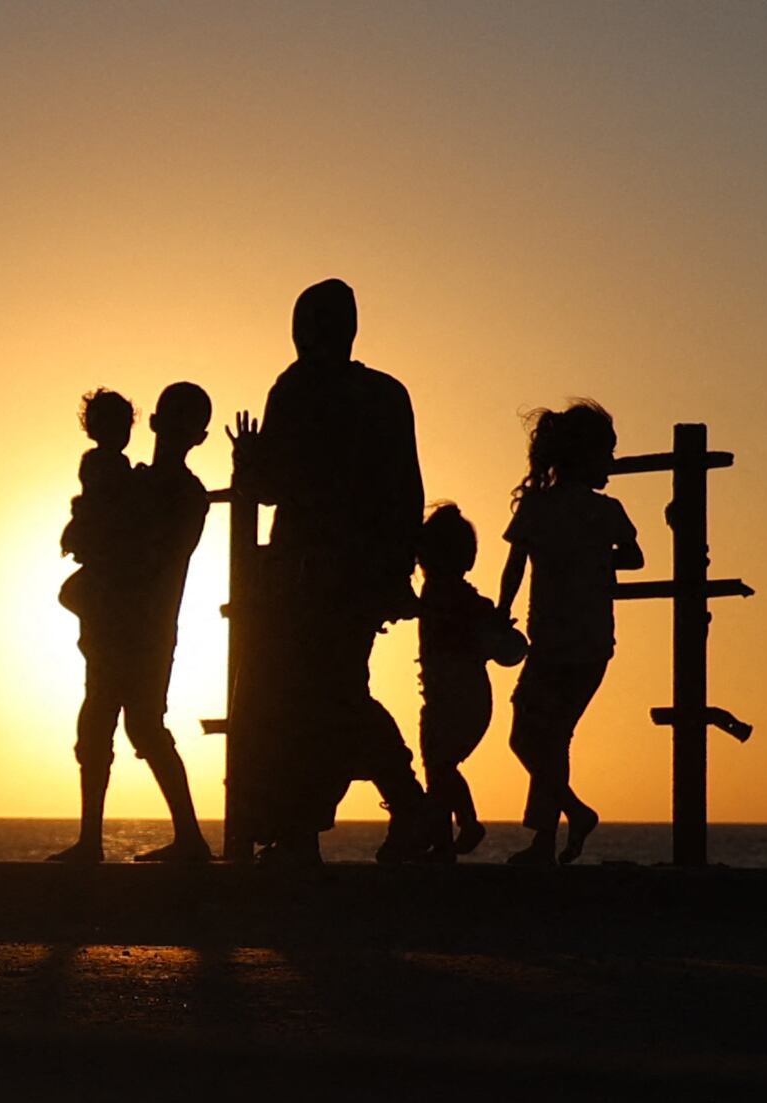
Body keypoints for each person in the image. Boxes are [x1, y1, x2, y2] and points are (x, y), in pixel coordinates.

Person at [230, 279, 431, 865]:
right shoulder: (387, 395)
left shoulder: (296, 390)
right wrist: (396, 571)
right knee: (332, 694)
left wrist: (248, 457)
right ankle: (308, 828)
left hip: (303, 577)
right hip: (360, 577)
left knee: (309, 698)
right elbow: (407, 492)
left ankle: (383, 808)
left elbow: (269, 488)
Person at [48, 383, 216, 865]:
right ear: (158, 424)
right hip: (117, 621)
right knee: (103, 723)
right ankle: (95, 840)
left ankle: (182, 838)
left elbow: (159, 557)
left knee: (139, 726)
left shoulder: (185, 494)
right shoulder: (134, 481)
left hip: (145, 627)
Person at [496, 401, 643, 865]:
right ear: (585, 455)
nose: (613, 463)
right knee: (548, 738)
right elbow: (633, 558)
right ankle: (560, 826)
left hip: (567, 643)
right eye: (608, 453)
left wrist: (503, 612)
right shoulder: (599, 511)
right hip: (581, 642)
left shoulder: (548, 508)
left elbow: (515, 566)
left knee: (533, 738)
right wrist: (595, 561)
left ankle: (556, 829)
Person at [416, 504, 526, 859]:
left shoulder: (437, 597)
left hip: (451, 697)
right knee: (441, 767)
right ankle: (446, 840)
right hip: (467, 697)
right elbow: (505, 647)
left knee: (440, 767)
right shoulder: (473, 602)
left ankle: (462, 826)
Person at [57, 388, 136, 619]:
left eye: (125, 426)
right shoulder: (103, 461)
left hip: (101, 537)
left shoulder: (105, 460)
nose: (122, 433)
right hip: (102, 536)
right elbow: (112, 496)